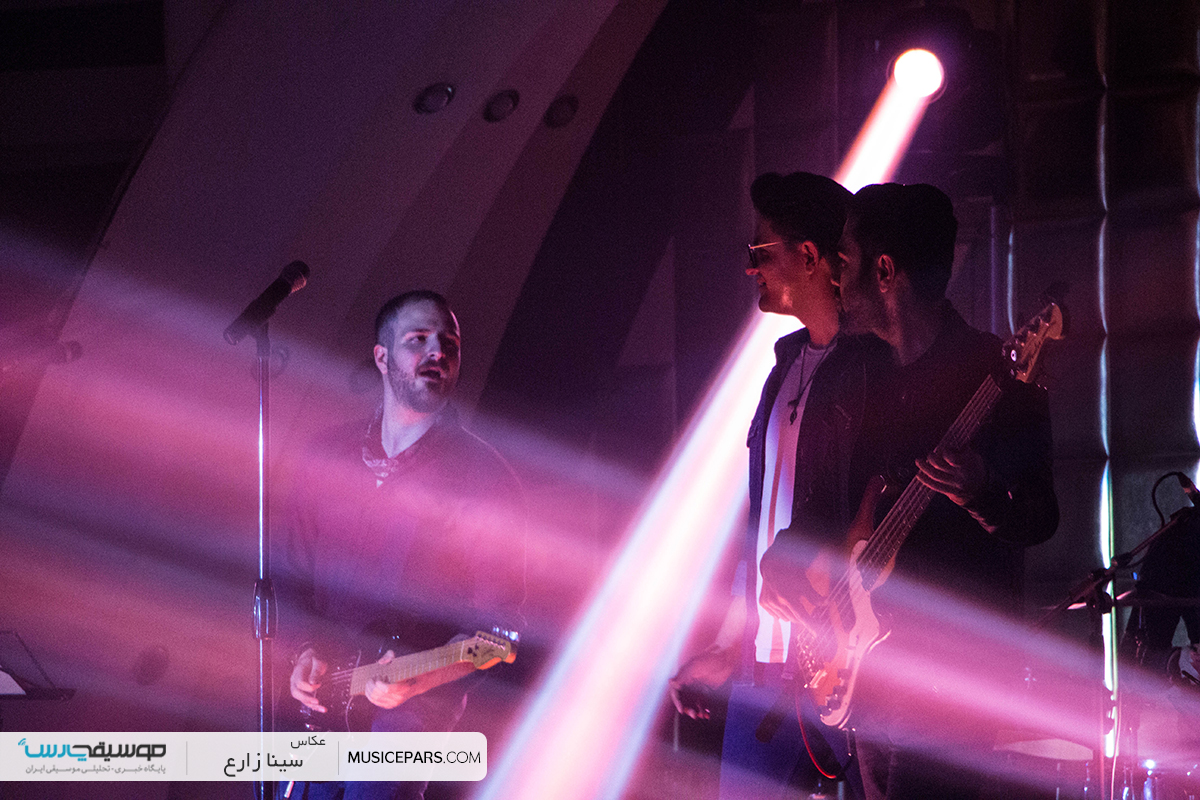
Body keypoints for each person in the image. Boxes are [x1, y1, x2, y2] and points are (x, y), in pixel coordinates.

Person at [764, 182, 1057, 800]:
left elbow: (1040, 517)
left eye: (844, 260)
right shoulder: (847, 377)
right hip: (867, 673)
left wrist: (981, 494)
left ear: (884, 271)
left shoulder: (995, 371)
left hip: (952, 678)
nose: (835, 276)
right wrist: (782, 558)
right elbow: (818, 508)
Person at [669, 171, 883, 800]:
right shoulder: (784, 368)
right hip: (765, 667)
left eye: (760, 252)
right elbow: (763, 522)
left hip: (851, 662)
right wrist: (731, 643)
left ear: (810, 257)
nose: (749, 268)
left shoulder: (874, 369)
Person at [280, 290, 525, 800]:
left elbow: (500, 633)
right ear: (382, 356)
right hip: (321, 704)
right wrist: (303, 650)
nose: (437, 352)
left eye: (449, 344)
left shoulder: (485, 478)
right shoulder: (326, 455)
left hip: (413, 712)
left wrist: (422, 678)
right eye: (418, 340)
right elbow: (291, 575)